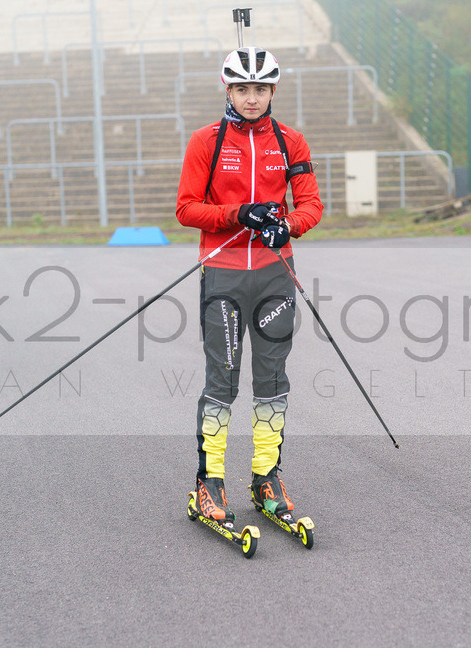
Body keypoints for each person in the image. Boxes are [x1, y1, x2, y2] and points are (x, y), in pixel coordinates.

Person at [176, 46, 323, 526]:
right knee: (223, 378)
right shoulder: (207, 141)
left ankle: (266, 477)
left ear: (273, 91)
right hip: (223, 272)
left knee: (272, 378)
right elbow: (186, 209)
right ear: (228, 90)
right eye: (242, 88)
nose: (252, 98)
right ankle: (208, 482)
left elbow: (311, 205)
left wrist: (290, 225)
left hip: (276, 273)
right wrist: (238, 213)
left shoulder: (292, 142)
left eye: (260, 89)